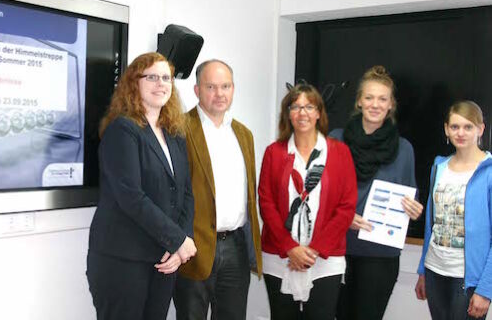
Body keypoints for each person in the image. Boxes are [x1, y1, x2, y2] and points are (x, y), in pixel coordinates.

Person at [86, 52, 196, 320]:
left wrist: (178, 244)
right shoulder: (122, 130)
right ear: (134, 83)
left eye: (166, 78)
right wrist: (178, 240)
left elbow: (185, 194)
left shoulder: (174, 133)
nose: (161, 84)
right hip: (123, 259)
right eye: (152, 77)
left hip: (163, 259)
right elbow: (131, 197)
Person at [330, 65, 423, 320]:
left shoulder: (404, 149)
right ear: (359, 101)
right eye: (369, 97)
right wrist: (344, 217)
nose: (375, 104)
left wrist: (414, 208)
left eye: (382, 99)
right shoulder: (335, 141)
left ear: (391, 104)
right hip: (338, 250)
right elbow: (319, 195)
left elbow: (409, 194)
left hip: (381, 255)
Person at [258, 83, 357, 320]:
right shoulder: (274, 152)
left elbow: (346, 206)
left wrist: (314, 250)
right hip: (281, 256)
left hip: (325, 259)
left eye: (309, 106)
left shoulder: (340, 152)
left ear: (319, 113)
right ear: (288, 114)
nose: (303, 113)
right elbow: (266, 201)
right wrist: (290, 247)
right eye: (296, 107)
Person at [173, 59, 262, 320]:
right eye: (211, 86)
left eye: (226, 86)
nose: (220, 93)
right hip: (194, 247)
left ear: (233, 89)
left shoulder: (243, 134)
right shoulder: (179, 129)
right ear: (197, 90)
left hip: (236, 247)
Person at [415, 100, 492, 320]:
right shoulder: (439, 167)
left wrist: (486, 289)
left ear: (480, 129)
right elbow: (432, 225)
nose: (461, 133)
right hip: (435, 271)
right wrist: (422, 271)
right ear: (446, 130)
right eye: (455, 127)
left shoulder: (489, 172)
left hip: (468, 280)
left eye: (468, 127)